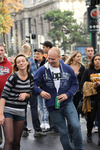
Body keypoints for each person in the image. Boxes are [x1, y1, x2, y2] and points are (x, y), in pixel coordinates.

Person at [33, 47, 84, 150]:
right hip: (52, 106)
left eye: (53, 59)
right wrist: (40, 92)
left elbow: (75, 85)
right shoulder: (43, 69)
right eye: (49, 59)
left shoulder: (67, 68)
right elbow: (33, 85)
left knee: (76, 126)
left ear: (59, 57)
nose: (50, 61)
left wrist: (68, 94)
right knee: (63, 133)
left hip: (67, 103)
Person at [0, 53, 33, 150]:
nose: (21, 63)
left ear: (27, 63)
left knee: (16, 142)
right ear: (16, 65)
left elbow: (31, 92)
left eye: (23, 61)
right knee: (9, 140)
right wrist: (1, 114)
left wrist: (26, 95)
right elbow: (3, 96)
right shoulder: (13, 77)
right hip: (8, 111)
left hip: (20, 112)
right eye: (18, 62)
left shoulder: (31, 77)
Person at [22, 44, 46, 137]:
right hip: (31, 87)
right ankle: (37, 130)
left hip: (21, 87)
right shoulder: (30, 60)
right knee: (34, 108)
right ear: (29, 52)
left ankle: (24, 129)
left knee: (23, 109)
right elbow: (36, 75)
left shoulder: (19, 59)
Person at [81, 54, 100, 145]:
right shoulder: (88, 71)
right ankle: (89, 134)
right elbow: (82, 83)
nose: (97, 61)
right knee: (90, 118)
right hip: (91, 99)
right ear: (93, 61)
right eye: (95, 59)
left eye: (99, 59)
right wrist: (92, 85)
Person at [34, 48, 50, 130]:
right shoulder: (33, 62)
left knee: (45, 106)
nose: (36, 55)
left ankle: (46, 121)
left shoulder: (46, 63)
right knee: (40, 106)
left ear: (43, 55)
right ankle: (42, 121)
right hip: (37, 88)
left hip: (44, 88)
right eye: (35, 54)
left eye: (38, 54)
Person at [0, 43, 12, 145]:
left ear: (5, 52)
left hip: (7, 97)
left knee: (5, 119)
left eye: (1, 50)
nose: (0, 52)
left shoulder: (10, 65)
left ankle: (8, 140)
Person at [66, 51, 85, 116]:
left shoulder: (82, 67)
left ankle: (76, 124)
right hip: (68, 91)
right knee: (70, 110)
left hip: (78, 91)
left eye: (80, 56)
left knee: (77, 110)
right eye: (78, 56)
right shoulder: (67, 67)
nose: (79, 58)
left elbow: (84, 80)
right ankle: (70, 124)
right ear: (73, 57)